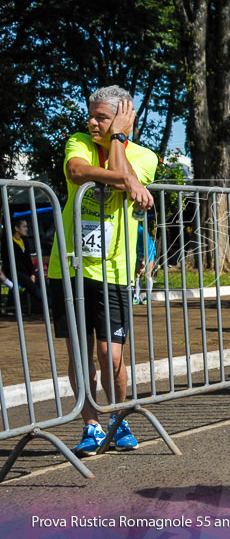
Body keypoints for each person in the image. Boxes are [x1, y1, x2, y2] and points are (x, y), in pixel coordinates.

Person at [47, 86, 157, 455]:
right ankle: (91, 424)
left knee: (110, 356)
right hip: (69, 267)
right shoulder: (77, 140)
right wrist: (125, 179)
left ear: (123, 119)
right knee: (78, 354)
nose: (92, 122)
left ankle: (117, 419)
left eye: (102, 117)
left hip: (114, 270)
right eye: (91, 114)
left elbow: (127, 175)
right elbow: (78, 172)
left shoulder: (144, 155)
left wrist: (121, 141)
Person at [2, 216, 44, 312]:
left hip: (27, 272)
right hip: (15, 272)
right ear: (16, 228)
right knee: (32, 287)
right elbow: (14, 262)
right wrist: (28, 275)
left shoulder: (24, 240)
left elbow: (28, 260)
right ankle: (46, 306)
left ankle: (46, 304)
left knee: (41, 281)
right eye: (24, 226)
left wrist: (32, 273)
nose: (26, 229)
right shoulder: (7, 241)